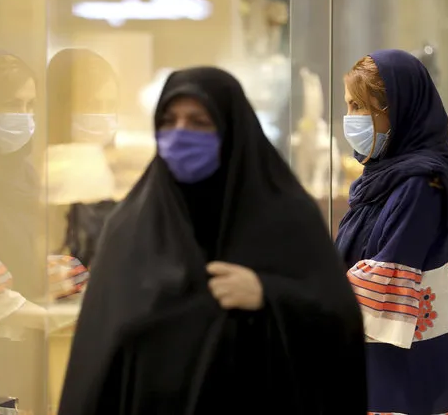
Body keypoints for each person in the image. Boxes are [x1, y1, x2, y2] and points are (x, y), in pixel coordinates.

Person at [58, 66, 367, 415]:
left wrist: (269, 295)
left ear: (231, 130)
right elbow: (93, 364)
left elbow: (339, 323)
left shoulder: (287, 219)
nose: (180, 133)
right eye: (169, 120)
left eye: (199, 122)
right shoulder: (129, 229)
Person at [335, 49, 448, 415]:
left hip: (402, 384)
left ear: (400, 110)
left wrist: (308, 293)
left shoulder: (423, 184)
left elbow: (385, 282)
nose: (352, 119)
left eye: (362, 107)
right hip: (377, 372)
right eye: (349, 106)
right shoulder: (381, 178)